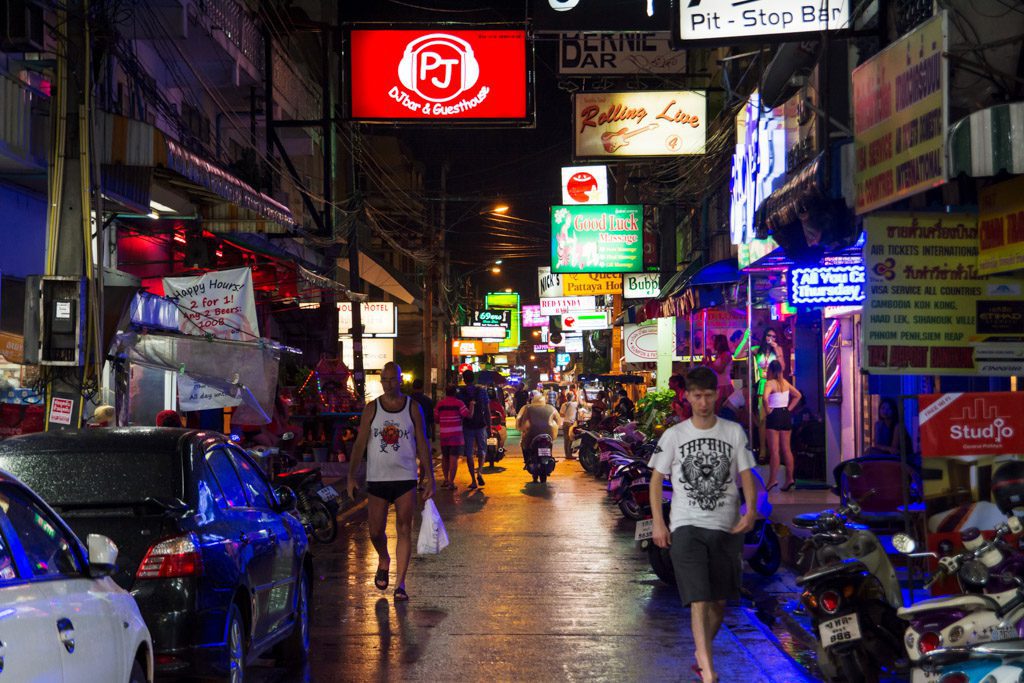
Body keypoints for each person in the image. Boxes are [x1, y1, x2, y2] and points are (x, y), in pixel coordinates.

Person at [648, 367, 757, 683]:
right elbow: (656, 480)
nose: (704, 402)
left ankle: (701, 653)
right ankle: (709, 673)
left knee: (719, 603)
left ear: (717, 395)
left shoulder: (733, 432)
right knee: (698, 599)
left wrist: (750, 511)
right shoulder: (675, 435)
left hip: (726, 528)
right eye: (697, 396)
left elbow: (746, 474)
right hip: (687, 527)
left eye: (709, 395)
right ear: (688, 396)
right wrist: (659, 523)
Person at [346, 362, 434, 602]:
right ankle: (384, 558)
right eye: (384, 380)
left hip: (405, 477)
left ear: (400, 380)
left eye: (392, 379)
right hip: (377, 478)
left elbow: (422, 442)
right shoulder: (371, 409)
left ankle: (400, 584)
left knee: (404, 529)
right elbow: (360, 444)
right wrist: (351, 476)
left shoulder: (412, 407)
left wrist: (429, 477)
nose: (388, 384)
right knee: (375, 531)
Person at [762, 360, 802, 492]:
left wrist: (768, 411)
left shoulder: (769, 383)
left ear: (771, 371)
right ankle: (790, 478)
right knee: (786, 449)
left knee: (774, 451)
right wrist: (789, 409)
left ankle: (772, 480)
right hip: (785, 415)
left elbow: (764, 398)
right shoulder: (785, 383)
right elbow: (798, 395)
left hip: (774, 415)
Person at [434, 385, 472, 490]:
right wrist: (472, 405)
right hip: (456, 435)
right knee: (453, 458)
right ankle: (451, 482)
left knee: (445, 458)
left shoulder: (440, 404)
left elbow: (436, 419)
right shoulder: (459, 403)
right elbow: (467, 415)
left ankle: (446, 479)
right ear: (455, 393)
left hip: (444, 434)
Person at [457, 370, 489, 486]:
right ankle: (479, 471)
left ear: (464, 380)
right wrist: (489, 425)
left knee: (469, 453)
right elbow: (487, 409)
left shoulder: (460, 393)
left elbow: (458, 411)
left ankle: (473, 481)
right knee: (482, 450)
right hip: (480, 424)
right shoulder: (482, 391)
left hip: (467, 425)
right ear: (473, 379)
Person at [516, 391, 561, 460]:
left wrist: (519, 427)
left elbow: (519, 419)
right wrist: (555, 428)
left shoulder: (526, 408)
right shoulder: (551, 408)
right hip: (549, 434)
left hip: (531, 433)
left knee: (524, 444)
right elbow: (558, 421)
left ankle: (527, 459)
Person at [706, 334, 734, 413]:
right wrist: (708, 361)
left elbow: (720, 370)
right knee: (716, 409)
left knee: (723, 409)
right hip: (719, 384)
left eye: (716, 342)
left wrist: (709, 359)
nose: (714, 344)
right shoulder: (719, 355)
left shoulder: (726, 354)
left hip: (724, 385)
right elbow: (714, 369)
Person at [409, 378, 435, 442]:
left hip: (410, 432)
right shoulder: (428, 401)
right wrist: (433, 434)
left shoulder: (407, 400)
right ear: (422, 388)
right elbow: (431, 419)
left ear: (412, 388)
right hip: (424, 431)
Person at [559, 391, 579, 459]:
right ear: (572, 397)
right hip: (571, 423)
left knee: (566, 439)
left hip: (565, 422)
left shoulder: (564, 404)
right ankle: (569, 454)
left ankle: (567, 454)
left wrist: (567, 414)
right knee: (571, 439)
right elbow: (581, 404)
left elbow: (561, 414)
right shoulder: (575, 404)